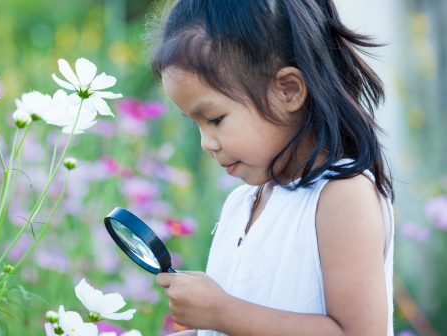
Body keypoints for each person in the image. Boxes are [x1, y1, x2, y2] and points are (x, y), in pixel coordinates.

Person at [149, 0, 395, 335]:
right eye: (196, 125)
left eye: (215, 119)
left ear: (288, 91)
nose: (207, 143)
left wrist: (222, 312)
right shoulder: (242, 203)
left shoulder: (341, 197)